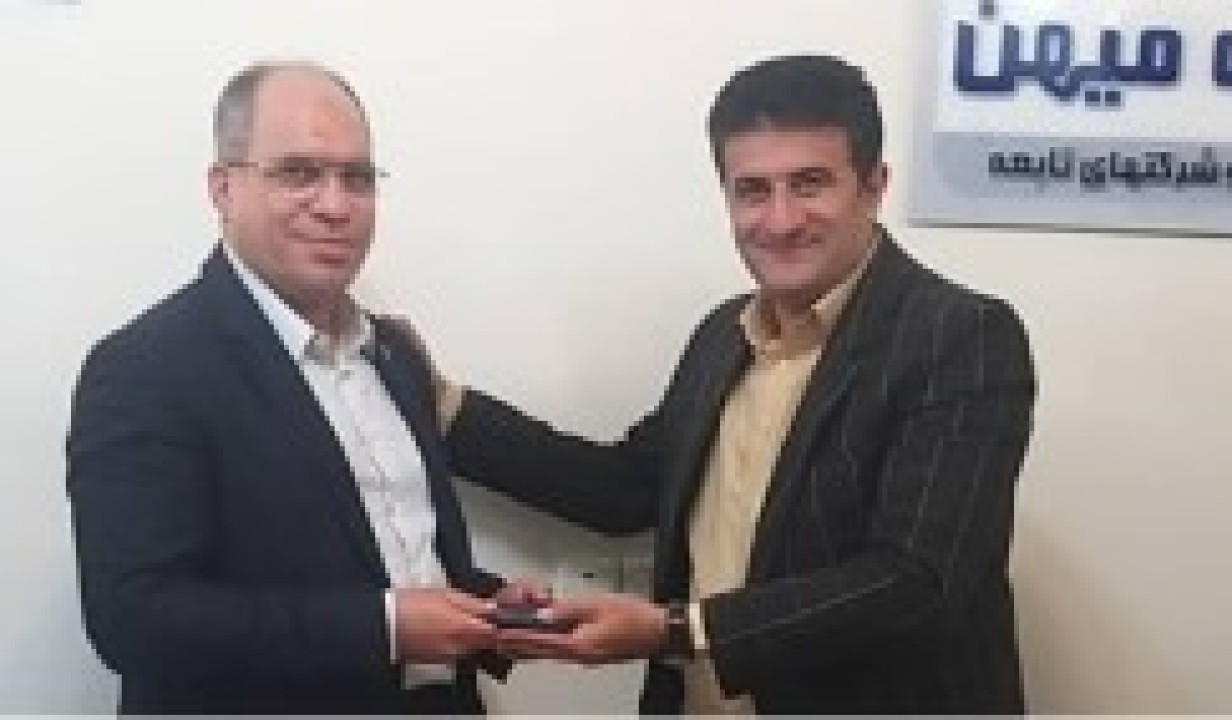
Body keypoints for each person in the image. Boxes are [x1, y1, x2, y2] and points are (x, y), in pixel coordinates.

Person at [430, 54, 1037, 714]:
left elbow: (917, 581)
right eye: (752, 190)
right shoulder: (722, 336)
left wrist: (679, 631)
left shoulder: (963, 336)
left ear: (873, 186)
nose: (780, 220)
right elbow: (624, 487)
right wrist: (441, 406)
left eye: (809, 184)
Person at [65, 60, 536, 714]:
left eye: (357, 178)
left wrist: (486, 605)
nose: (335, 206)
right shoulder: (145, 368)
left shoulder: (395, 354)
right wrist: (386, 627)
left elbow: (380, 559)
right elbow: (136, 618)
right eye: (298, 173)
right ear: (223, 188)